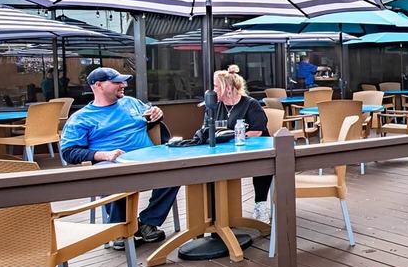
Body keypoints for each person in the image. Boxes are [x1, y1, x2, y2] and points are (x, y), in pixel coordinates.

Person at [60, 67, 178, 250]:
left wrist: (157, 114)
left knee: (176, 171)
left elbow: (151, 119)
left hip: (148, 161)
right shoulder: (81, 119)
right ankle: (119, 229)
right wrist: (104, 155)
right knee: (114, 175)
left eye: (122, 81)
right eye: (116, 82)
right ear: (98, 85)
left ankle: (147, 222)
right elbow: (69, 152)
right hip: (113, 166)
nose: (123, 85)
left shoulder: (132, 103)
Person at [195, 69, 272, 219]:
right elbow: (206, 130)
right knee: (206, 167)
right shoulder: (213, 107)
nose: (213, 90)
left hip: (253, 152)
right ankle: (215, 213)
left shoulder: (250, 104)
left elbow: (257, 131)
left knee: (263, 166)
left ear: (228, 88)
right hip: (223, 153)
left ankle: (260, 205)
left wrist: (232, 138)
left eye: (216, 86)